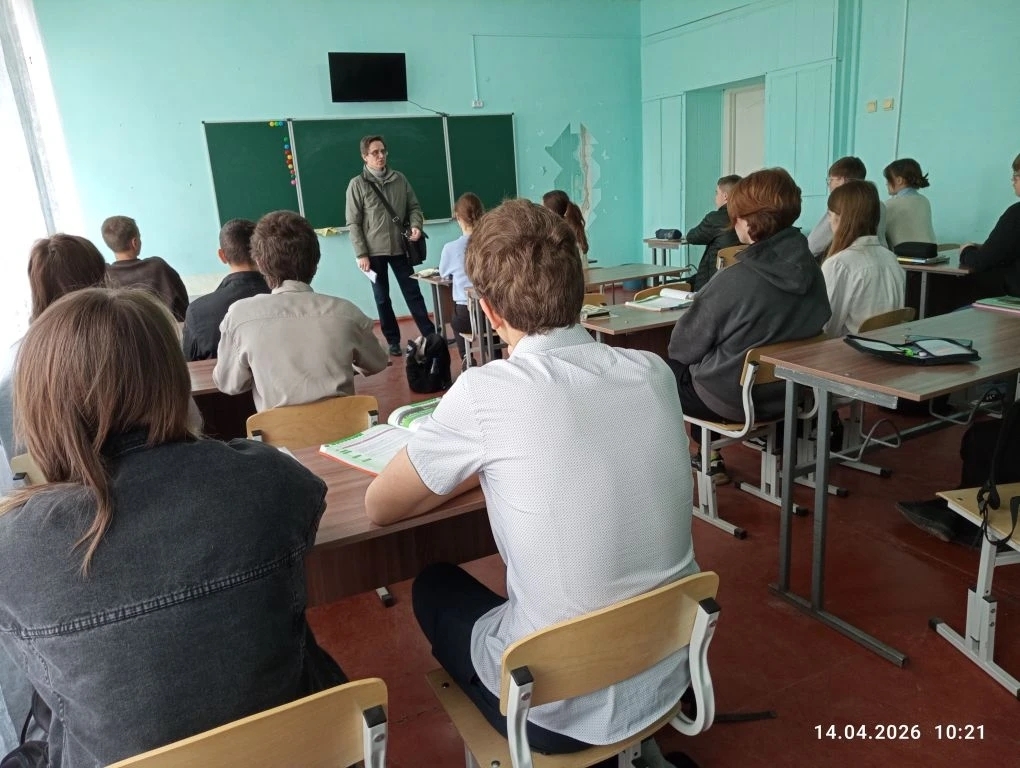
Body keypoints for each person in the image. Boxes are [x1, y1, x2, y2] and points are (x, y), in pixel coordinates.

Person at [365, 199, 698, 760]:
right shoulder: (653, 372)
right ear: (581, 287)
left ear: (488, 311)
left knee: (434, 587)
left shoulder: (485, 392)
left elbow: (380, 506)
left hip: (553, 710)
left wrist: (480, 464)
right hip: (671, 669)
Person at [0, 288, 345, 767]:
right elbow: (306, 500)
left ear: (41, 404)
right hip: (300, 752)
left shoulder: (15, 547)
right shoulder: (268, 481)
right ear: (172, 379)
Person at [667, 169, 831, 483]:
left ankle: (706, 456)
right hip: (792, 393)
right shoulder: (813, 270)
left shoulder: (734, 279)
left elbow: (682, 347)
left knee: (665, 371)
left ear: (747, 222)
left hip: (733, 400)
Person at [214, 210, 388, 412]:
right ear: (316, 263)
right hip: (344, 430)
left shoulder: (239, 317)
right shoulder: (347, 313)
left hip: (277, 432)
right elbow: (377, 362)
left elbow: (229, 384)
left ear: (259, 263)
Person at [0, 234, 108, 463]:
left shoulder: (15, 361)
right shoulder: (122, 343)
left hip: (44, 481)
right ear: (100, 278)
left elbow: (21, 460)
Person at [345, 134, 436, 356]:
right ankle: (393, 341)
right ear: (365, 156)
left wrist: (415, 225)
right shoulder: (357, 184)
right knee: (382, 297)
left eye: (383, 151)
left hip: (400, 247)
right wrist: (361, 253)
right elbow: (353, 223)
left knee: (413, 292)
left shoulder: (399, 179)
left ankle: (430, 334)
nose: (381, 156)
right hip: (373, 252)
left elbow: (414, 208)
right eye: (375, 152)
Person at [820, 180, 905, 337]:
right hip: (889, 345)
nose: (829, 221)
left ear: (841, 218)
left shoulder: (838, 264)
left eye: (830, 215)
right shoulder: (891, 258)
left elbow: (827, 328)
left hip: (848, 349)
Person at [182, 218, 270, 361]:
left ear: (222, 256)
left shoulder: (198, 311)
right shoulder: (287, 298)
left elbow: (189, 365)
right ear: (261, 252)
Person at [100, 215, 190, 320]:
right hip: (163, 329)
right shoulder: (158, 267)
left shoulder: (104, 274)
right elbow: (183, 306)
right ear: (135, 242)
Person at [958, 153, 1020, 295]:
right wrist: (988, 248)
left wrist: (966, 250)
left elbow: (980, 262)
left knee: (955, 296)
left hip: (1013, 300)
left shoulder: (1016, 213)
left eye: (1016, 175)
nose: (1012, 180)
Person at [807, 156, 888, 258]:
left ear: (842, 180)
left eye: (831, 180)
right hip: (880, 257)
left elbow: (813, 245)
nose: (829, 185)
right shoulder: (880, 205)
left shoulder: (842, 205)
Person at [438, 193, 484, 366]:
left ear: (458, 218)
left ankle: (466, 357)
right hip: (494, 311)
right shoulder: (492, 242)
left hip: (467, 316)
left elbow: (443, 274)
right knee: (488, 322)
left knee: (455, 321)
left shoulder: (450, 248)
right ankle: (495, 356)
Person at [685, 175, 741, 291]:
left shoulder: (715, 219)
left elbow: (692, 237)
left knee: (689, 282)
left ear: (725, 196)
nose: (715, 197)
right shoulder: (750, 218)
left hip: (713, 282)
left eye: (717, 193)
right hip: (740, 279)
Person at [883, 159, 936, 248]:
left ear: (899, 180)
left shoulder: (889, 205)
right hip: (929, 252)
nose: (886, 184)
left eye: (888, 179)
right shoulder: (924, 201)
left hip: (903, 254)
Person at [542, 189, 589, 259]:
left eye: (543, 209)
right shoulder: (571, 228)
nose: (541, 212)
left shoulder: (561, 235)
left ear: (551, 212)